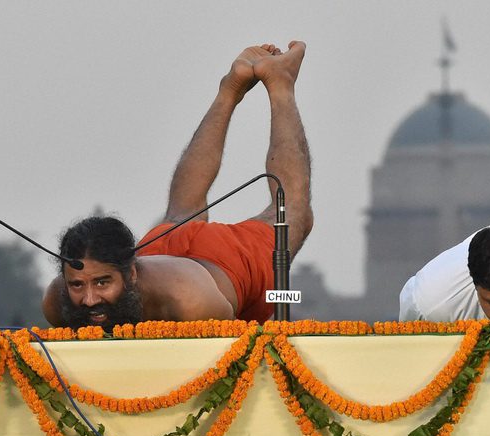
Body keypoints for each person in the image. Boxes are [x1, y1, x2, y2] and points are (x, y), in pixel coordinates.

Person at [42, 41, 313, 331]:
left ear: (131, 273)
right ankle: (230, 89)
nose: (90, 299)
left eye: (102, 282)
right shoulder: (58, 302)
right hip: (163, 245)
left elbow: (226, 365)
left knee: (294, 211)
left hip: (225, 263)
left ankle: (280, 82)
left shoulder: (195, 304)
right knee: (180, 216)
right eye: (77, 285)